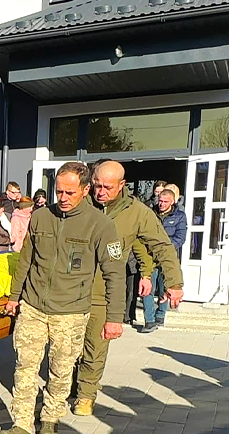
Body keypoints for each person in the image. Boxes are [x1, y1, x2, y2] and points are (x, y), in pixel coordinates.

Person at [0, 162, 125, 434]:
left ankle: (51, 419)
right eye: (59, 191)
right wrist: (15, 297)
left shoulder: (101, 225)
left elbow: (115, 273)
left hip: (71, 311)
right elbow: (25, 261)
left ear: (86, 190)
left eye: (69, 192)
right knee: (25, 365)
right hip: (33, 305)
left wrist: (115, 317)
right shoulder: (41, 217)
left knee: (61, 369)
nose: (63, 198)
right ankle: (21, 424)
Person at [73, 160, 183, 417]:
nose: (101, 192)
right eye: (97, 185)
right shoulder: (81, 201)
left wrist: (173, 282)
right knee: (68, 344)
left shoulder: (137, 212)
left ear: (122, 185)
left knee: (96, 344)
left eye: (108, 187)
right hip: (72, 286)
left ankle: (86, 393)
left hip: (106, 288)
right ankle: (69, 383)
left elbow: (161, 246)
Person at [142, 187, 189, 330]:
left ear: (172, 201)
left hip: (168, 258)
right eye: (160, 201)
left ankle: (160, 315)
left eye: (165, 201)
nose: (161, 204)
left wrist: (165, 250)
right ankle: (149, 321)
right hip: (151, 256)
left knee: (164, 289)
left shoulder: (179, 216)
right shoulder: (150, 213)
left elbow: (180, 238)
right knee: (147, 288)